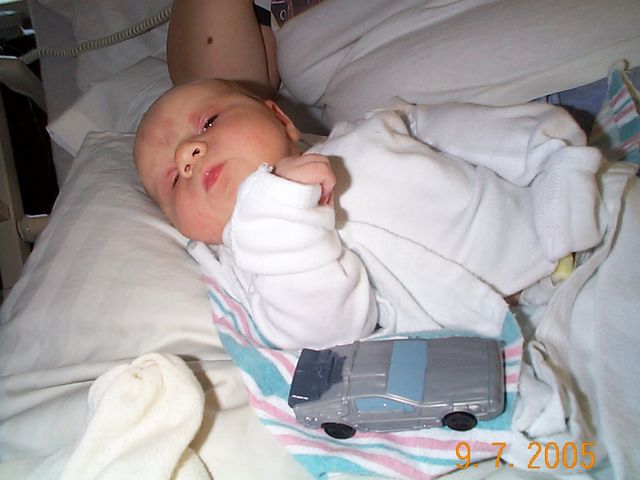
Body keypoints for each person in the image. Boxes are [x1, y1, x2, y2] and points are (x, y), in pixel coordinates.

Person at [134, 78, 603, 350]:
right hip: (505, 344)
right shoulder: (257, 266)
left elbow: (473, 131)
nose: (187, 155)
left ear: (280, 118)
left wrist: (553, 159)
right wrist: (275, 219)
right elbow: (326, 331)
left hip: (568, 238)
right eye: (172, 180)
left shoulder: (372, 131)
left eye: (208, 122)